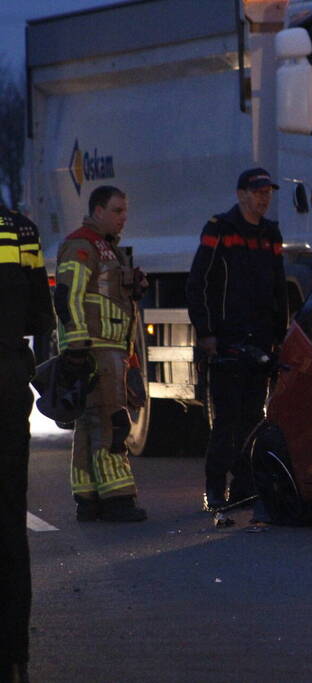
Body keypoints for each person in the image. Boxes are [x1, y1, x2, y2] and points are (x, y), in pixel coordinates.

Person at [186, 168, 288, 510]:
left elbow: (279, 288)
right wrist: (207, 333)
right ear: (241, 194)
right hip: (227, 341)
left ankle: (244, 487)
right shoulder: (221, 229)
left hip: (259, 341)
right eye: (258, 192)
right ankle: (215, 490)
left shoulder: (270, 234)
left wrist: (279, 335)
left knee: (253, 419)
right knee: (226, 420)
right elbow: (198, 282)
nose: (264, 197)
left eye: (267, 192)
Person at [54, 185, 148, 523]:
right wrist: (77, 348)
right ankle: (118, 499)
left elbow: (105, 298)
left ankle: (89, 497)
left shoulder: (107, 249)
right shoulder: (83, 245)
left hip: (108, 349)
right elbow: (68, 296)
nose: (124, 218)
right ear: (98, 211)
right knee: (112, 424)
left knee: (90, 425)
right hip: (96, 349)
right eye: (117, 211)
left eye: (125, 211)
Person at [0, 202, 55, 682]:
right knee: (10, 526)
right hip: (7, 384)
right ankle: (14, 656)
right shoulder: (22, 230)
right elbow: (43, 316)